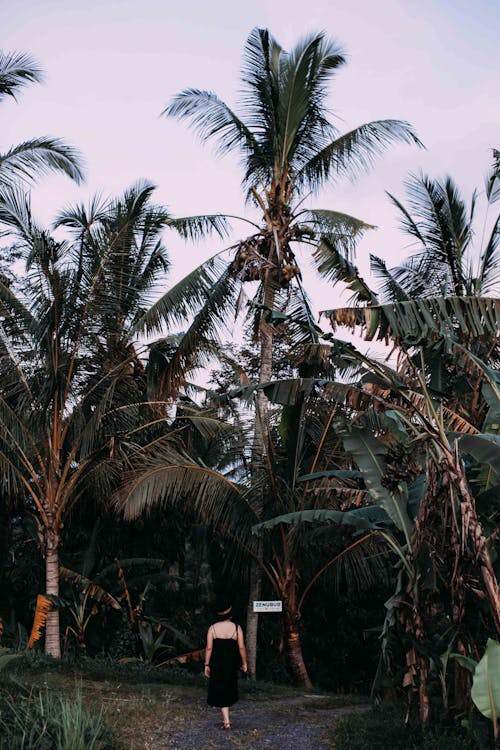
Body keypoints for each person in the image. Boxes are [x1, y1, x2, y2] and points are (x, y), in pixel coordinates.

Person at [204, 598, 248, 729]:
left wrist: (206, 664)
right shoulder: (236, 628)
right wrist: (244, 662)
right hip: (231, 664)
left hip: (217, 664)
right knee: (228, 690)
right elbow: (241, 647)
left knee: (220, 691)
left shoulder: (212, 628)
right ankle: (226, 721)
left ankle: (226, 721)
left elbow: (209, 648)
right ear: (231, 614)